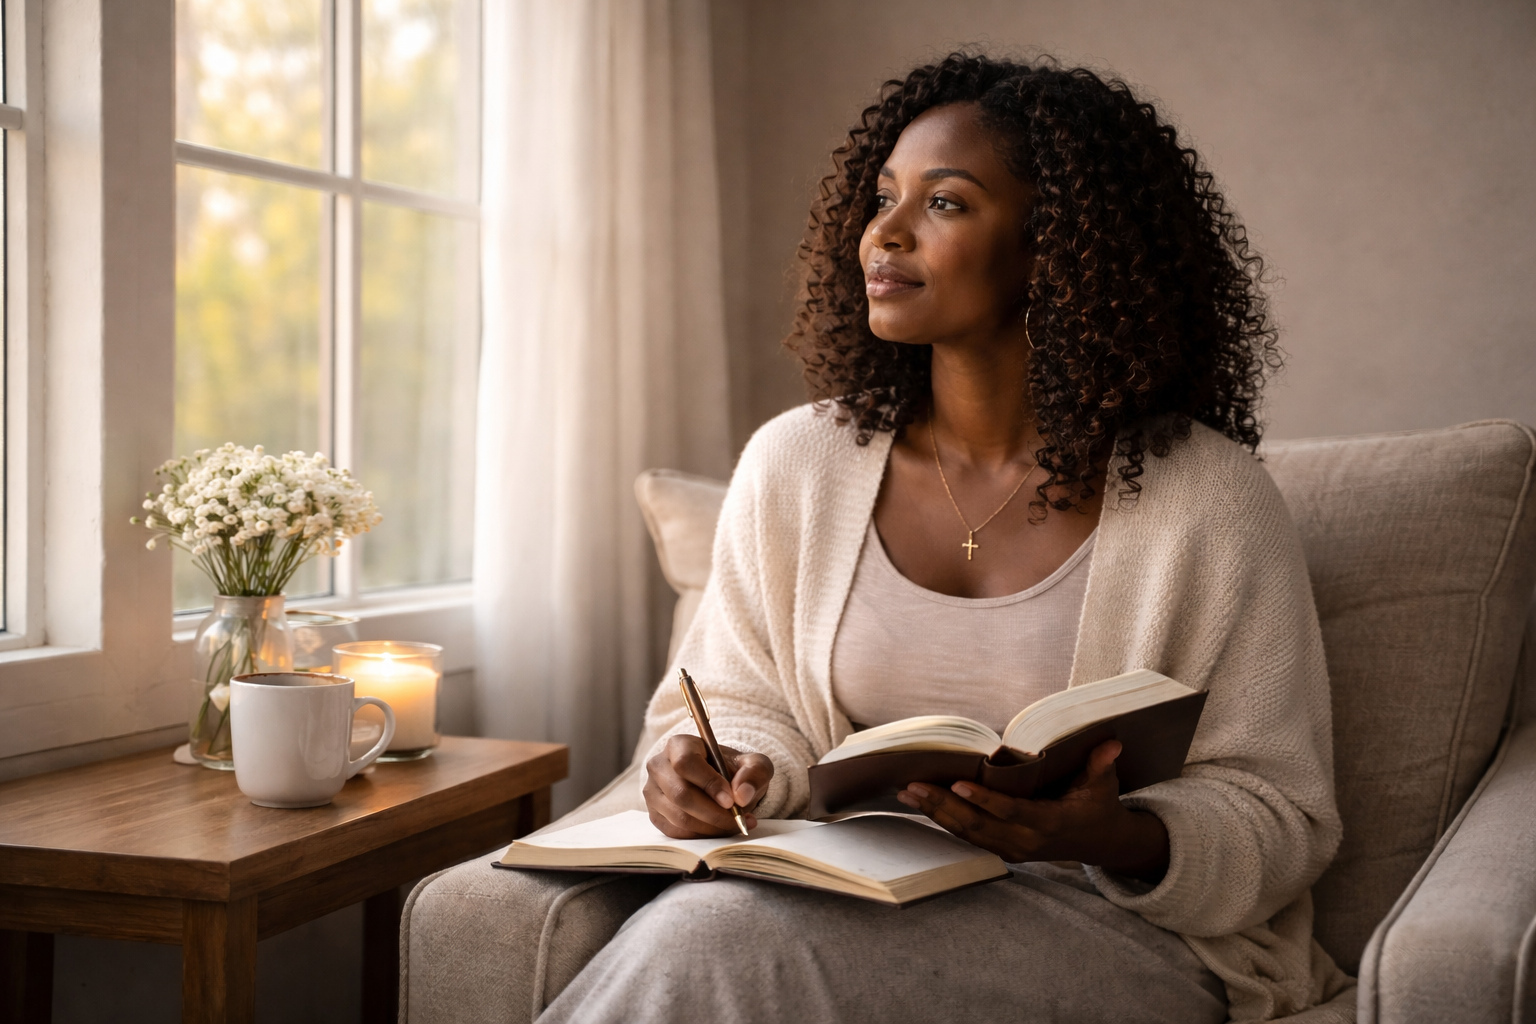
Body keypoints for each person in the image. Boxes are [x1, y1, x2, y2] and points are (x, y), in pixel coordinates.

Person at [541, 53, 1351, 1023]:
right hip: (838, 895)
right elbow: (736, 703)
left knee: (714, 943)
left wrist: (1125, 831)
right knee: (714, 934)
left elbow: (1282, 814)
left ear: (1058, 246)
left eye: (947, 204)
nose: (882, 233)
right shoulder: (796, 463)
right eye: (882, 196)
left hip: (1104, 924)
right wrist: (721, 770)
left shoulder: (1211, 501)